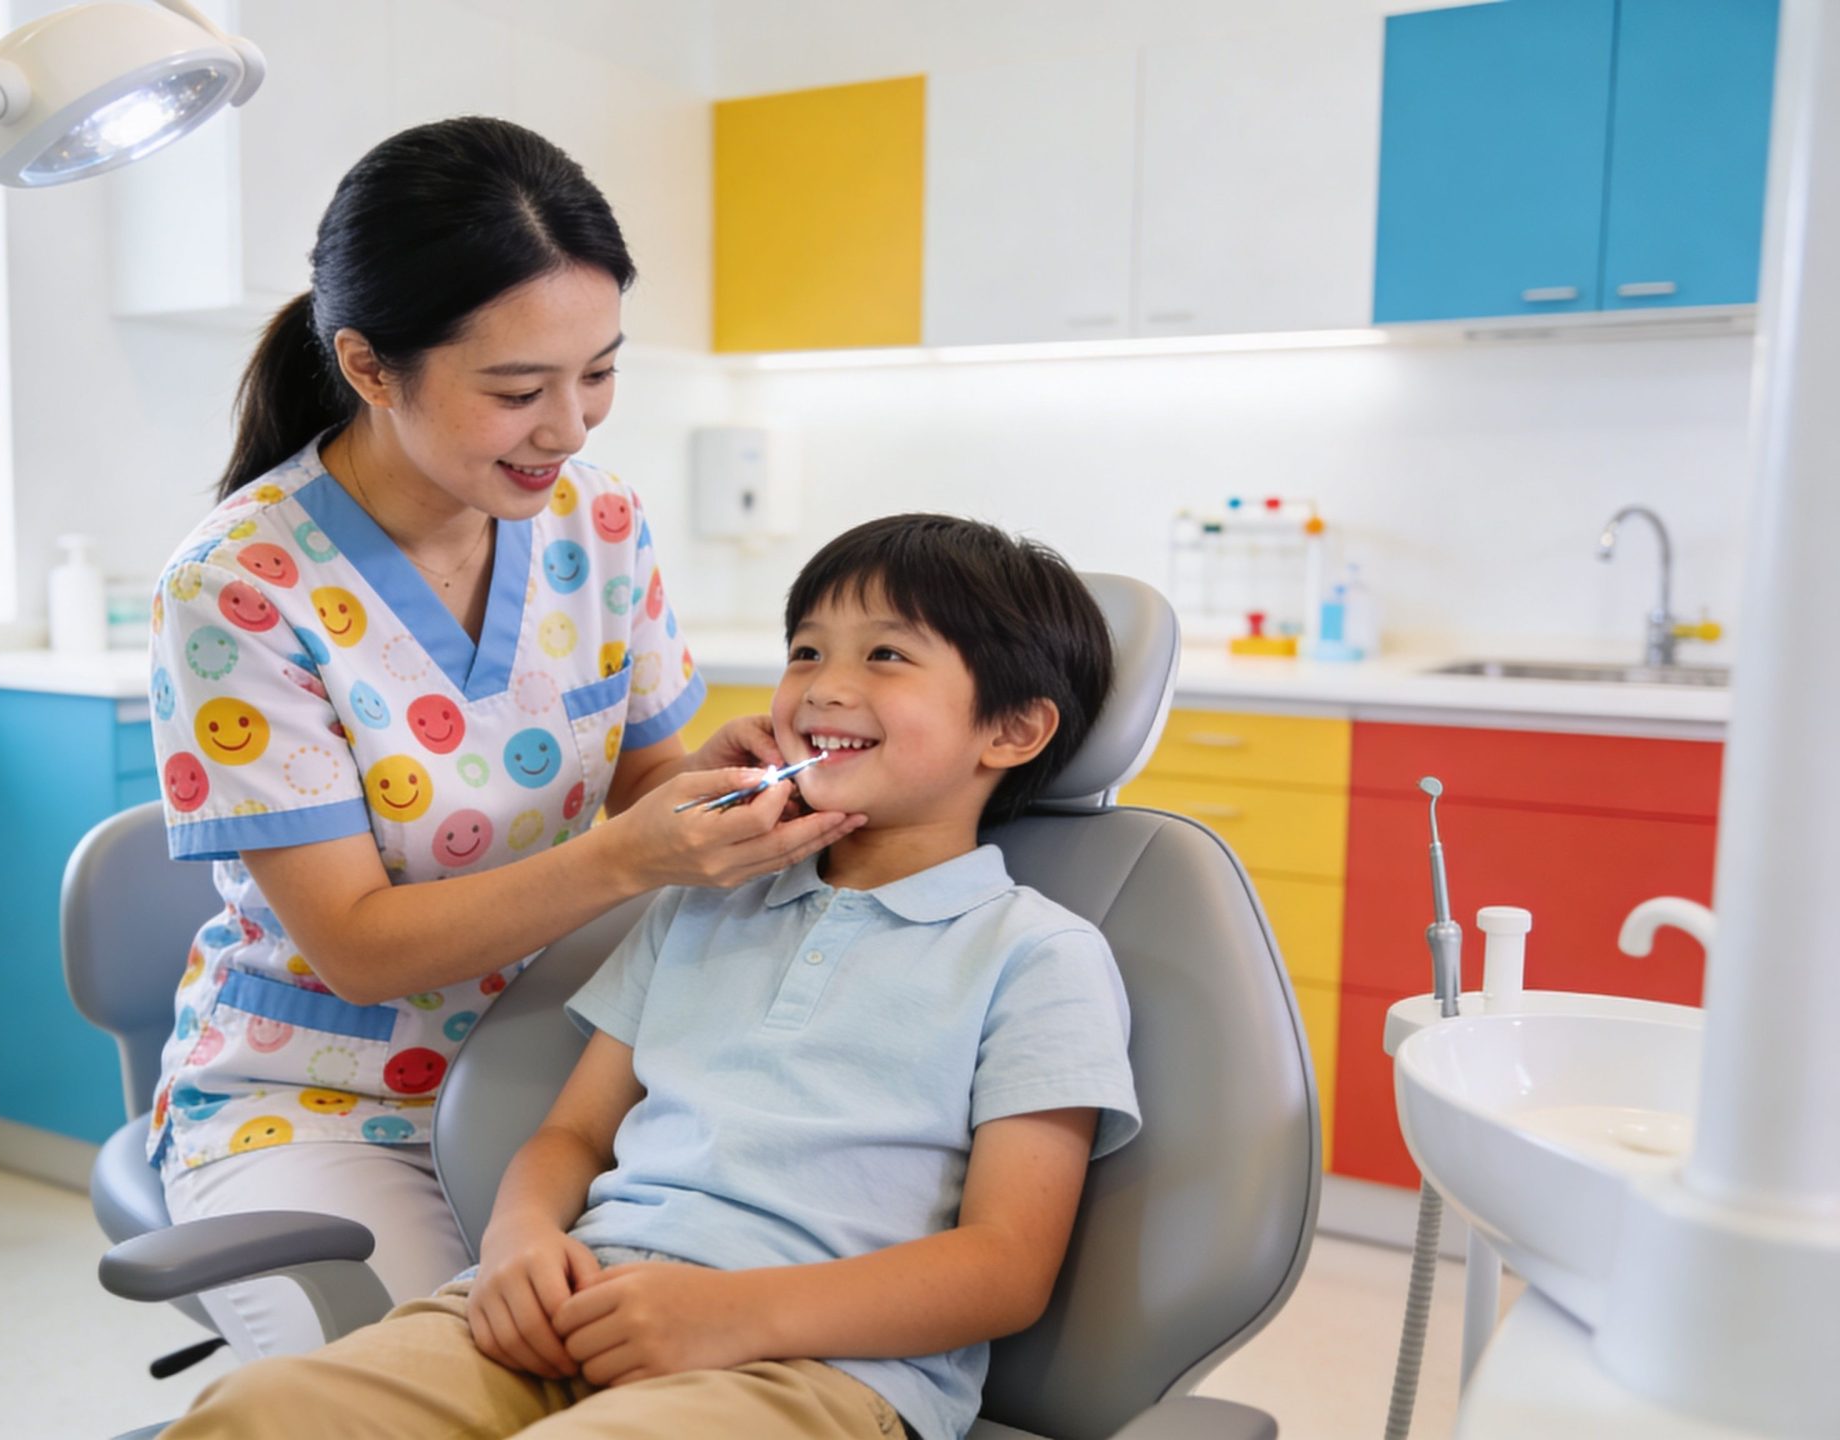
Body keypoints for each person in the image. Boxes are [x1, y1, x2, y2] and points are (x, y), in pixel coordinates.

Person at [162, 513, 1144, 1440]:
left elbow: (1004, 1267)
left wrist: (730, 1315)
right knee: (257, 1413)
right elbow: (573, 1133)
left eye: (885, 654)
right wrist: (518, 1244)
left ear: (1012, 732)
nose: (822, 685)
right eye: (806, 650)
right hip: (576, 1307)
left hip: (811, 1368)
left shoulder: (1037, 956)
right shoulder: (704, 899)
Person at [146, 115, 863, 1361]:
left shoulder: (600, 517)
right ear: (371, 368)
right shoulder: (242, 589)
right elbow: (359, 950)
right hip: (326, 1093)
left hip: (574, 1062)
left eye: (599, 371)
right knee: (445, 1377)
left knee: (663, 1368)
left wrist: (712, 793)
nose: (571, 427)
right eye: (519, 390)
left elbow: (640, 777)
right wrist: (631, 859)